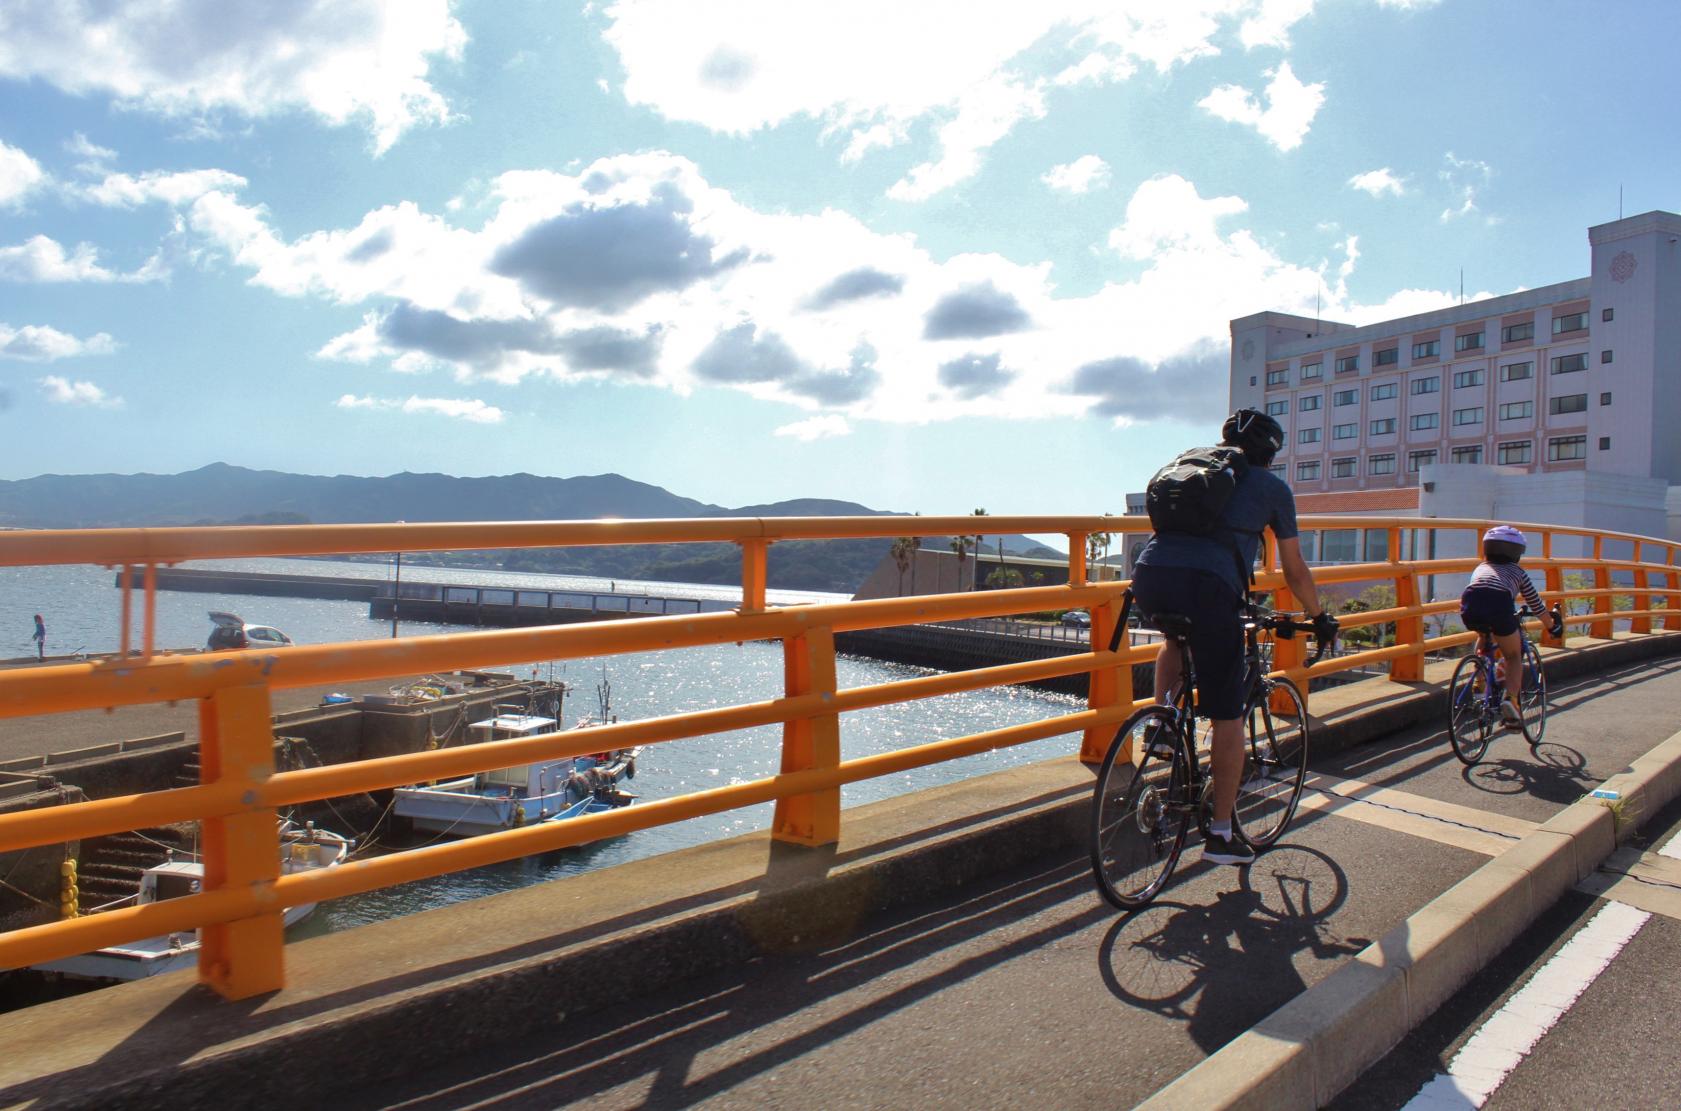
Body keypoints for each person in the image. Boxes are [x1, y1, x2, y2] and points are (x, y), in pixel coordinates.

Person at [1130, 408, 1336, 866]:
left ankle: (1161, 724)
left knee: (1176, 640)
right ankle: (1221, 835)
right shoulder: (1271, 488)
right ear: (1272, 452)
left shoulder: (1192, 469)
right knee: (1227, 716)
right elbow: (1294, 569)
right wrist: (1318, 616)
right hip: (1209, 585)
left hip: (1149, 574)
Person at [1460, 526, 1562, 729]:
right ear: (1516, 553)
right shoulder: (1517, 572)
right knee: (1513, 656)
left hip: (1469, 605)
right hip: (1499, 606)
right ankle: (1511, 701)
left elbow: (1482, 592)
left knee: (1485, 633)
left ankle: (1479, 682)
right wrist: (1551, 625)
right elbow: (1535, 604)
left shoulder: (1480, 568)